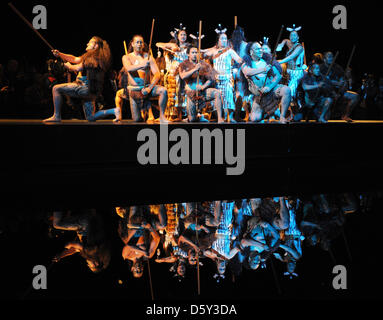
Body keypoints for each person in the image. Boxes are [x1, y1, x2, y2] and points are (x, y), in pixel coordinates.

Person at [43, 36, 121, 122]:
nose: (87, 43)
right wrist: (60, 54)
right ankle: (114, 110)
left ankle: (56, 116)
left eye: (90, 42)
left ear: (96, 46)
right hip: (91, 92)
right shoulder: (94, 57)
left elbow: (77, 68)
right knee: (90, 117)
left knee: (56, 88)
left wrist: (67, 66)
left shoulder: (92, 58)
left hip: (84, 88)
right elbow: (74, 58)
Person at [241, 42, 291, 123]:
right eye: (258, 49)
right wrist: (263, 69)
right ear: (251, 51)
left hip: (271, 91)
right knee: (255, 118)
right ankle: (270, 112)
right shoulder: (246, 64)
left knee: (286, 90)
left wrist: (269, 87)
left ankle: (282, 117)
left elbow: (278, 76)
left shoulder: (266, 61)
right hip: (260, 96)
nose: (261, 50)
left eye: (261, 48)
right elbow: (248, 72)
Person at [203, 25, 244, 122]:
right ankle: (221, 117)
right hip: (216, 79)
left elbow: (239, 60)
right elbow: (204, 53)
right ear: (218, 40)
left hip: (227, 78)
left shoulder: (229, 50)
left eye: (225, 38)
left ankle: (230, 117)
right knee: (219, 98)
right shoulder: (214, 51)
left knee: (228, 96)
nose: (224, 40)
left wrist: (245, 60)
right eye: (222, 38)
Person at [123, 35, 168, 123]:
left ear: (143, 45)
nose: (139, 44)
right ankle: (146, 111)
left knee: (163, 90)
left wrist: (149, 88)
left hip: (147, 88)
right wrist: (142, 65)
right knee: (137, 119)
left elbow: (157, 74)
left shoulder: (148, 57)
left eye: (141, 42)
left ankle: (162, 116)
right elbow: (128, 68)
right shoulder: (126, 57)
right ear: (132, 44)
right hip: (134, 90)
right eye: (137, 42)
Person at [178, 46, 224, 123]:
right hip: (191, 94)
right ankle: (198, 117)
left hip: (203, 92)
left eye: (196, 52)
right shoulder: (183, 64)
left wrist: (203, 87)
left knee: (217, 93)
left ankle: (220, 118)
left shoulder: (203, 64)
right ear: (188, 54)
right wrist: (195, 69)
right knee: (192, 119)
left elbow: (211, 78)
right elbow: (183, 76)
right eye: (193, 52)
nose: (195, 54)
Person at [320, 51, 359, 122]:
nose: (331, 58)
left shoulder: (337, 67)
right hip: (326, 94)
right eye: (329, 57)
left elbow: (343, 78)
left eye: (332, 56)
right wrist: (335, 83)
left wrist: (343, 82)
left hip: (338, 92)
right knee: (326, 118)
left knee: (355, 96)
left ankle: (345, 116)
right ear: (324, 59)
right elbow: (323, 81)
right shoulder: (321, 68)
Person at [277, 25, 306, 101]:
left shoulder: (299, 47)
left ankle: (293, 103)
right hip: (289, 71)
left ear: (298, 37)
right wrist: (281, 44)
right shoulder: (290, 44)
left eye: (294, 35)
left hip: (296, 72)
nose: (292, 37)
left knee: (291, 91)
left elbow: (291, 57)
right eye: (291, 35)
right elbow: (285, 40)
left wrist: (279, 62)